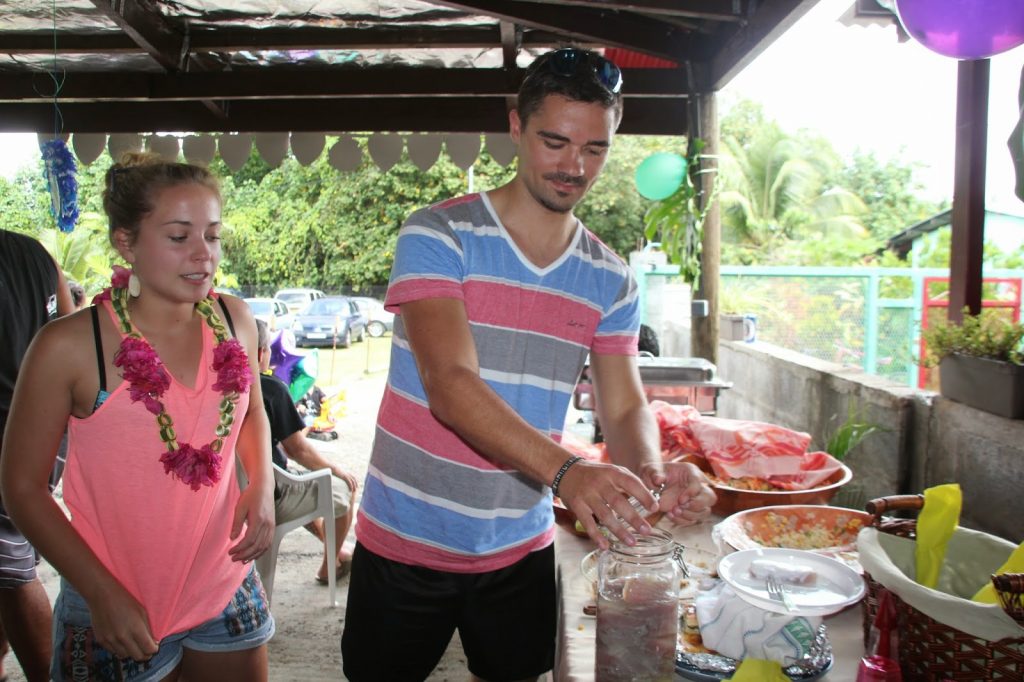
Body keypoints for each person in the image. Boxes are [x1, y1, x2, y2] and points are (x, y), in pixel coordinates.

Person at [341, 47, 716, 681]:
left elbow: (623, 406)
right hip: (406, 536)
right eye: (555, 142)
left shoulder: (610, 277)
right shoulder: (439, 234)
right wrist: (568, 472)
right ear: (515, 126)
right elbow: (449, 385)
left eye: (595, 149)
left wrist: (653, 475)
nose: (575, 166)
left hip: (518, 547)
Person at [0, 154, 276, 682]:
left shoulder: (233, 318)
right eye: (179, 237)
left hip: (225, 587)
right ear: (127, 243)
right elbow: (22, 486)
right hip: (114, 602)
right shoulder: (70, 345)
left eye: (213, 236)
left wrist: (261, 483)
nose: (204, 255)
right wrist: (102, 594)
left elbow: (253, 412)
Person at [0, 229, 73, 681]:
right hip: (44, 432)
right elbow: (72, 327)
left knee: (10, 569)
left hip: (7, 438)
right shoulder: (37, 254)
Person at [255, 319, 358, 584]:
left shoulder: (215, 388)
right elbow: (298, 450)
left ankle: (338, 552)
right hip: (272, 493)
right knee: (342, 486)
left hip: (240, 490)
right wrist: (336, 469)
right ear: (259, 353)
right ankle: (329, 565)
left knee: (301, 481)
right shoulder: (271, 389)